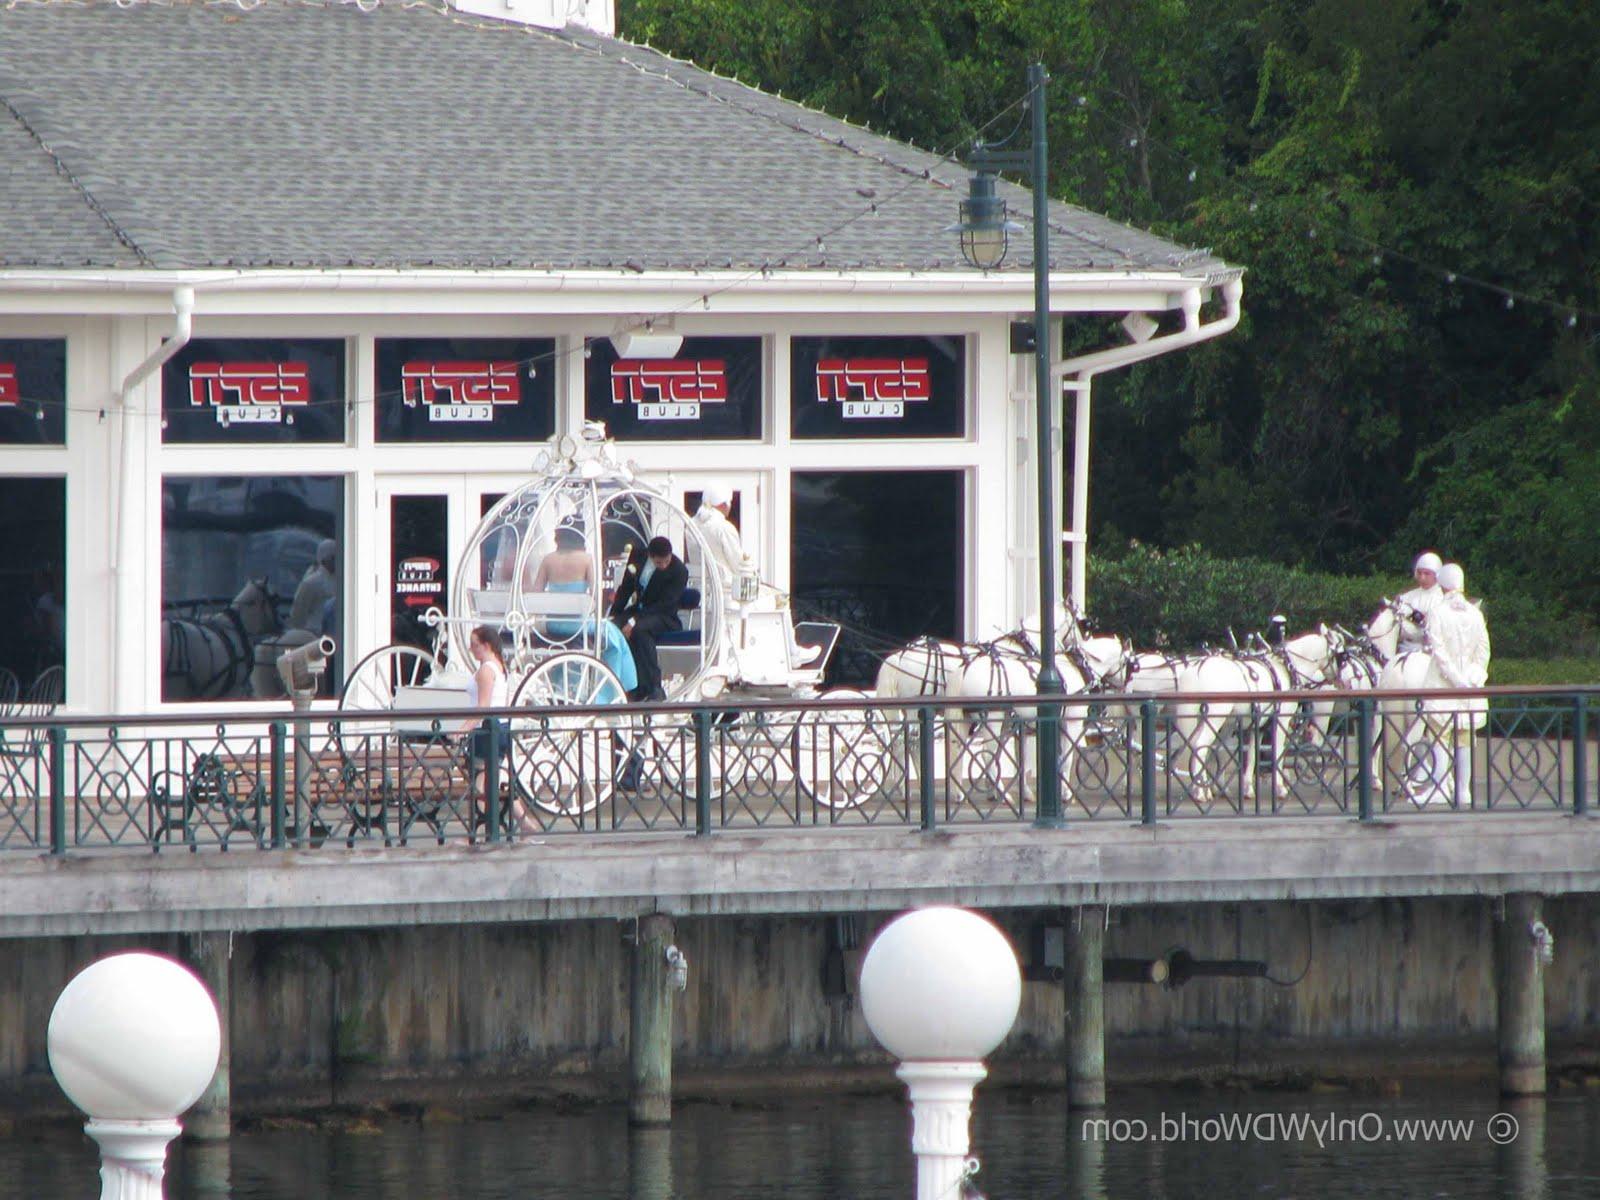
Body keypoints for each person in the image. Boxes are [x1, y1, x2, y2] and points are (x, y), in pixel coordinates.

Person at [1418, 562, 1491, 806]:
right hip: (1469, 687)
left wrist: (1456, 679)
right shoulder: (1475, 613)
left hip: (1443, 685)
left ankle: (1440, 788)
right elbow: (1484, 652)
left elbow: (1438, 652)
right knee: (1464, 738)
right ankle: (1463, 791)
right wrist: (1474, 677)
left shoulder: (1438, 612)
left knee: (1440, 736)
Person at [532, 525, 636, 694]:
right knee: (614, 637)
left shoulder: (548, 560)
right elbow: (596, 596)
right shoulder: (586, 559)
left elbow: (536, 593)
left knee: (610, 633)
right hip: (577, 625)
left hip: (553, 624)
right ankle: (613, 689)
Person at [460, 624, 534, 836]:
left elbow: (482, 707)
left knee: (481, 782)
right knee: (497, 778)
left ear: (486, 645)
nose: (471, 649)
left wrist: (463, 729)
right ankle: (524, 823)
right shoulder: (500, 667)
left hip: (486, 730)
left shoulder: (485, 670)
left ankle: (481, 830)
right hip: (500, 728)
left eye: (475, 645)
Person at [609, 535, 687, 701]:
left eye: (666, 561)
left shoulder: (679, 570)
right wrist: (614, 613)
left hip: (664, 615)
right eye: (659, 563)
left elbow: (666, 604)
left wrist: (633, 621)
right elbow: (626, 588)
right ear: (651, 556)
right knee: (613, 627)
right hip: (640, 610)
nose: (664, 566)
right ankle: (625, 682)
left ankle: (653, 687)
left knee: (640, 630)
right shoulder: (638, 556)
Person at [694, 482, 746, 601]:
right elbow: (739, 565)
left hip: (701, 594)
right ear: (724, 504)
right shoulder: (723, 527)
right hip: (727, 594)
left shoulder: (691, 525)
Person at [1396, 550, 1444, 653]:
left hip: (1429, 653)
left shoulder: (1441, 599)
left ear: (1437, 575)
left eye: (1427, 574)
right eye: (1419, 573)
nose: (1422, 578)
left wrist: (1410, 614)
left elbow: (1432, 628)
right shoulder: (1408, 596)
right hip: (1403, 649)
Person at [288, 539, 338, 634]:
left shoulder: (343, 581)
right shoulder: (310, 582)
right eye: (333, 558)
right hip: (313, 636)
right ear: (324, 559)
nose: (336, 561)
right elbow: (297, 615)